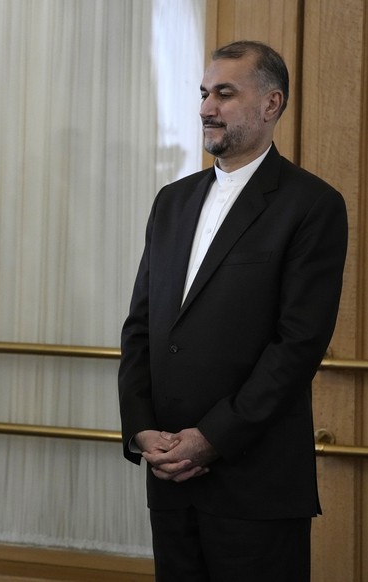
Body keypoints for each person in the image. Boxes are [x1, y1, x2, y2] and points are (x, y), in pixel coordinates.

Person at [118, 40, 348, 581]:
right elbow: (141, 327)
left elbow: (298, 346)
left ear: (271, 104)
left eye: (224, 93)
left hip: (256, 485)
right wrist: (141, 428)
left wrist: (210, 440)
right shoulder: (171, 201)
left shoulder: (312, 205)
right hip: (170, 479)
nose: (205, 108)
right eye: (203, 93)